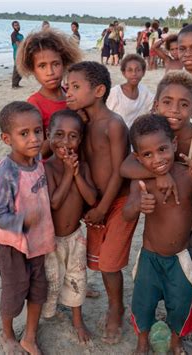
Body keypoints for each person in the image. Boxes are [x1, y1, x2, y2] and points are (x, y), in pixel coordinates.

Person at [120, 71, 192, 355]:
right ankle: (142, 341)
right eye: (167, 102)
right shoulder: (148, 161)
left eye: (183, 105)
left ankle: (180, 339)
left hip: (188, 246)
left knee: (185, 297)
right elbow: (128, 190)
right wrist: (156, 178)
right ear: (156, 105)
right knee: (143, 301)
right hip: (149, 254)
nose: (175, 110)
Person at [66, 61, 138, 344]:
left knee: (109, 264)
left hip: (116, 203)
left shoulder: (115, 125)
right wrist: (90, 206)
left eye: (75, 87)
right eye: (67, 87)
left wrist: (102, 208)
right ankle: (113, 301)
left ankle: (116, 308)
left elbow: (121, 171)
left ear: (98, 90)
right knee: (99, 261)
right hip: (94, 204)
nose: (68, 93)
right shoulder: (82, 124)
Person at [0, 101, 56, 355]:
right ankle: (7, 334)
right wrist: (22, 221)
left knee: (39, 289)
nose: (34, 139)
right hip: (11, 245)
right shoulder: (7, 171)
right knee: (15, 290)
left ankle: (29, 336)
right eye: (24, 134)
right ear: (7, 138)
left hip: (39, 241)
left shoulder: (37, 158)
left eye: (38, 131)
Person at [42, 109, 97, 344]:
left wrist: (75, 175)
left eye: (73, 136)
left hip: (75, 237)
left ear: (81, 139)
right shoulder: (46, 168)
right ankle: (45, 315)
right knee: (51, 280)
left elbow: (92, 199)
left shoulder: (82, 168)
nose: (66, 142)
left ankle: (77, 320)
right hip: (50, 240)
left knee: (76, 278)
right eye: (59, 135)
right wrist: (66, 173)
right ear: (48, 135)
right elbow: (54, 202)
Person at [16, 29, 82, 159]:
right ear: (33, 70)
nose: (50, 72)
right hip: (52, 172)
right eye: (42, 66)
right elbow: (36, 151)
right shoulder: (34, 104)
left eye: (55, 64)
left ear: (64, 64)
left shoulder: (71, 94)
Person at [106, 54, 154, 128]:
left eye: (138, 70)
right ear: (124, 73)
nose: (134, 74)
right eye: (129, 70)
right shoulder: (115, 93)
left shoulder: (144, 91)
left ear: (143, 72)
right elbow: (106, 117)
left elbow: (154, 106)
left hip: (136, 135)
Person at [11, 21, 24, 88]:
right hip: (17, 54)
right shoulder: (13, 34)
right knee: (16, 69)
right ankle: (14, 85)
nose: (17, 26)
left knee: (21, 69)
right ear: (13, 27)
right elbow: (18, 44)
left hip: (22, 53)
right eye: (15, 25)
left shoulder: (21, 35)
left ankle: (17, 84)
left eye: (18, 25)